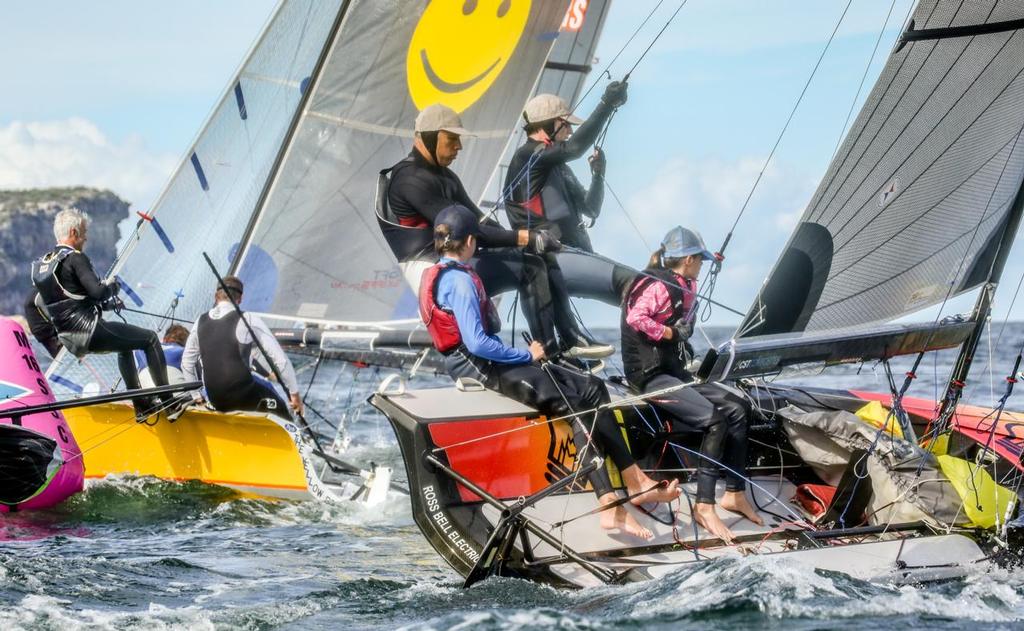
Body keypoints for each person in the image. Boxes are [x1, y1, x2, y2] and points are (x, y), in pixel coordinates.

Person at [419, 205, 679, 539]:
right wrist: (525, 353)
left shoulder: (448, 273)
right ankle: (609, 505)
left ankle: (636, 480)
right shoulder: (459, 282)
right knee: (572, 404)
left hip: (493, 362)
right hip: (483, 367)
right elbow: (478, 343)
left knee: (593, 388)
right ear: (470, 241)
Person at [379, 102, 612, 360]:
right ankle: (550, 354)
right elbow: (463, 229)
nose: (459, 146)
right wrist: (526, 237)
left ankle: (568, 342)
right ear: (430, 136)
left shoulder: (445, 176)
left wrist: (518, 242)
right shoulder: (410, 179)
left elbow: (479, 219)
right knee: (530, 268)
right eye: (452, 139)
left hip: (457, 260)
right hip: (432, 272)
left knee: (534, 259)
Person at [621, 225, 762, 543]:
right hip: (650, 376)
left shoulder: (685, 283)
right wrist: (671, 333)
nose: (702, 265)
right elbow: (636, 318)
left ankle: (735, 493)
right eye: (699, 259)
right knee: (714, 420)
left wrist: (682, 331)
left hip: (673, 372)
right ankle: (704, 505)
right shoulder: (659, 283)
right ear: (687, 260)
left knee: (739, 408)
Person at [31, 208, 174, 421]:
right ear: (73, 232)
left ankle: (142, 405)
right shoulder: (75, 258)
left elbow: (53, 301)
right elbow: (98, 292)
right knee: (150, 339)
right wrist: (113, 287)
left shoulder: (42, 266)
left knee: (125, 347)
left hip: (69, 338)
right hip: (89, 331)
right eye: (84, 232)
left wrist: (107, 305)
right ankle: (169, 403)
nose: (86, 237)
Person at [504, 84, 637, 305]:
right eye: (565, 124)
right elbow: (575, 149)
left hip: (579, 257)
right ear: (545, 125)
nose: (570, 131)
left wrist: (598, 175)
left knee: (644, 296)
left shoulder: (556, 166)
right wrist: (606, 103)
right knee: (639, 286)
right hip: (554, 260)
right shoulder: (526, 156)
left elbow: (590, 208)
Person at [181, 276, 303, 420]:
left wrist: (197, 397)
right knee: (282, 408)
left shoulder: (199, 321)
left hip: (215, 400)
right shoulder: (248, 319)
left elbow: (186, 363)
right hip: (243, 396)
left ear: (216, 296)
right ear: (241, 298)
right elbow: (281, 361)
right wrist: (294, 395)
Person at [23, 289, 61, 358]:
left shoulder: (32, 296)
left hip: (41, 333)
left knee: (58, 355)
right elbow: (49, 314)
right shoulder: (38, 295)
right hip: (46, 331)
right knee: (61, 353)